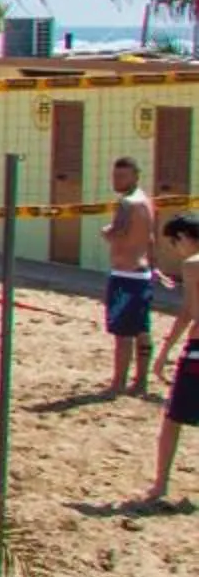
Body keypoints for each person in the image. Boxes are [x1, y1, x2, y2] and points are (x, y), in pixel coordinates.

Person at [144, 215, 199, 505]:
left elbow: (188, 313)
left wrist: (164, 352)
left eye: (174, 242)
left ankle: (160, 484)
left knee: (173, 418)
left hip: (197, 350)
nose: (176, 250)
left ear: (184, 238)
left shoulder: (192, 265)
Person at [106, 155, 159, 395]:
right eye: (115, 175)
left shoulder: (127, 203)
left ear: (136, 176)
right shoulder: (147, 201)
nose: (117, 180)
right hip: (142, 273)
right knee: (142, 329)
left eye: (122, 175)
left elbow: (118, 233)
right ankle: (141, 382)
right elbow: (150, 238)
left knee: (123, 334)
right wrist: (154, 266)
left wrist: (106, 231)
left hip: (125, 274)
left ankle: (118, 383)